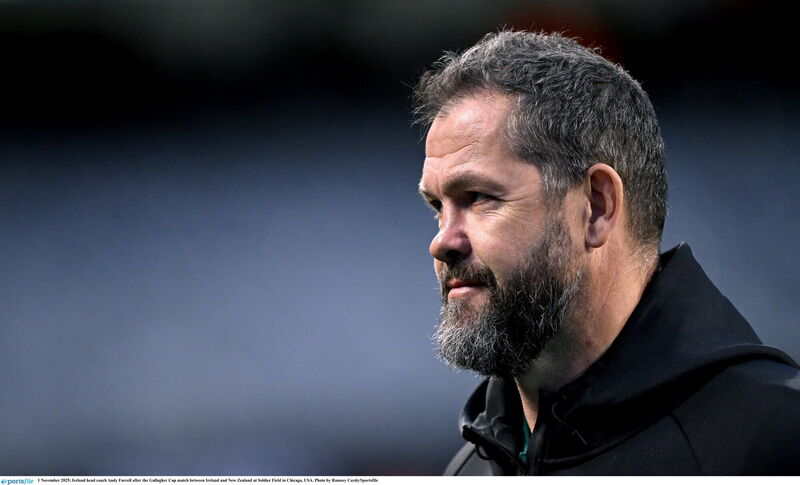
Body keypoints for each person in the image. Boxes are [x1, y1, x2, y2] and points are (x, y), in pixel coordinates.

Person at [412, 30, 800, 476]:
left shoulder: (773, 441)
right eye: (438, 207)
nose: (442, 241)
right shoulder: (468, 468)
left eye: (478, 196)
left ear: (596, 207)